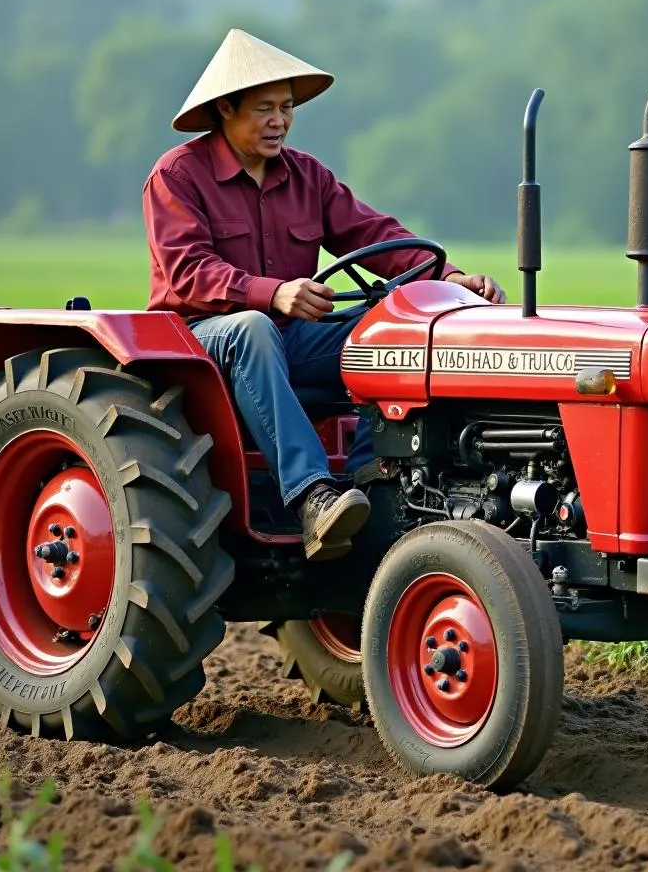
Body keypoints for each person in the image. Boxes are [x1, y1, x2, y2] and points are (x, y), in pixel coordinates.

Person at [143, 28, 505, 561]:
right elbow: (188, 271)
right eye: (264, 108)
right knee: (253, 327)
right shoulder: (178, 175)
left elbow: (373, 235)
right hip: (202, 341)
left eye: (286, 108)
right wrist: (274, 293)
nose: (279, 121)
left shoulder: (307, 176)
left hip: (289, 339)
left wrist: (449, 278)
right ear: (225, 108)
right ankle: (312, 495)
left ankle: (374, 481)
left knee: (390, 336)